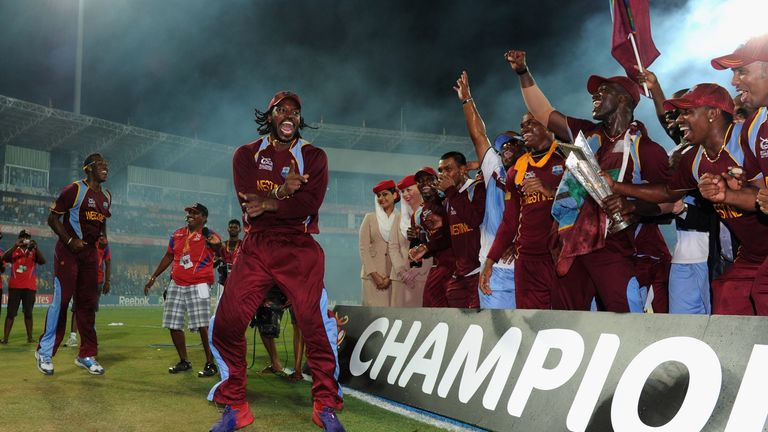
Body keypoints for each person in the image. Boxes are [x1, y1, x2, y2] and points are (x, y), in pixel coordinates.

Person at [208, 91, 344, 432]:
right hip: (257, 245)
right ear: (270, 116)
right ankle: (235, 404)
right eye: (282, 109)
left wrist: (274, 203)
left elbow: (309, 204)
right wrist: (283, 194)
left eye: (296, 111)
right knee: (225, 323)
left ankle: (325, 404)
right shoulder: (245, 154)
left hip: (298, 245)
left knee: (314, 325)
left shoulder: (313, 155)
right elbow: (249, 199)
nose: (290, 115)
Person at [505, 49, 671, 313]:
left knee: (624, 320)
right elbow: (543, 112)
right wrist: (523, 72)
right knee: (565, 320)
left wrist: (631, 205)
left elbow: (668, 202)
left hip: (614, 247)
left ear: (622, 99)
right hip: (572, 245)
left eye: (602, 91)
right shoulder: (587, 134)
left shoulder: (647, 149)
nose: (594, 95)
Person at [605, 84, 768, 315]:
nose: (680, 120)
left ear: (712, 114)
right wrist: (616, 186)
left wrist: (729, 194)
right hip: (752, 254)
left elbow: (760, 197)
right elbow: (668, 192)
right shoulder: (693, 158)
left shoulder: (745, 141)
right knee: (725, 299)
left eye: (687, 112)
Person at [454, 70, 527, 309]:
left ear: (525, 147)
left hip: (530, 270)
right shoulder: (494, 170)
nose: (504, 148)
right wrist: (467, 100)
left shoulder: (537, 172)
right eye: (501, 145)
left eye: (511, 143)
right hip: (495, 271)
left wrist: (518, 242)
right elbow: (478, 136)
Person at [35, 153, 111, 376]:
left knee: (87, 304)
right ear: (88, 169)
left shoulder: (106, 196)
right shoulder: (74, 190)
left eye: (106, 164)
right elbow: (52, 219)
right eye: (100, 164)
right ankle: (45, 352)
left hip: (89, 254)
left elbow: (102, 218)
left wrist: (102, 236)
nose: (105, 167)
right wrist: (69, 240)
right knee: (62, 300)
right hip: (68, 252)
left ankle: (86, 354)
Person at [486, 113, 566, 309]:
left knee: (566, 322)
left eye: (531, 123)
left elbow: (586, 200)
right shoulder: (516, 171)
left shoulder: (567, 157)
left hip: (561, 256)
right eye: (522, 125)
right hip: (527, 260)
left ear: (548, 126)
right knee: (531, 324)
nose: (524, 129)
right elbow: (509, 221)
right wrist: (490, 260)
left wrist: (550, 191)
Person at [144, 203, 220, 377]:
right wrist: (153, 277)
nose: (190, 215)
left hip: (199, 283)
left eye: (195, 213)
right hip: (176, 283)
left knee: (203, 324)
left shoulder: (209, 235)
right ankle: (184, 361)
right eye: (189, 213)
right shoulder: (177, 234)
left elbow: (219, 250)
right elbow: (169, 255)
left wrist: (217, 246)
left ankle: (210, 363)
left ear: (204, 218)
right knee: (173, 323)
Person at [436, 151, 485, 309]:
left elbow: (474, 220)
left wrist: (450, 191)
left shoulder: (477, 188)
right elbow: (448, 237)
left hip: (479, 271)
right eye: (441, 170)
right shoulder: (448, 200)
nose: (444, 174)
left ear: (463, 170)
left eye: (448, 169)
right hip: (460, 273)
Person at [409, 167, 455, 308]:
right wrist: (417, 240)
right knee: (431, 305)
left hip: (456, 263)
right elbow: (429, 242)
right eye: (421, 181)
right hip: (439, 264)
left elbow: (451, 235)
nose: (425, 183)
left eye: (429, 179)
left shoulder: (447, 201)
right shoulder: (418, 213)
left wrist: (426, 246)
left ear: (437, 181)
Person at [388, 174, 432, 307]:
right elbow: (393, 247)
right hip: (399, 278)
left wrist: (417, 271)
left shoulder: (430, 214)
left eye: (409, 189)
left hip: (421, 277)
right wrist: (402, 272)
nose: (405, 194)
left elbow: (435, 245)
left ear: (419, 188)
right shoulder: (398, 218)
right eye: (402, 191)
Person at [65, 234, 111, 347]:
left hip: (97, 281)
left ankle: (90, 338)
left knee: (90, 310)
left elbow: (108, 263)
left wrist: (107, 281)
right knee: (77, 308)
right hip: (83, 279)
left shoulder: (105, 246)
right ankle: (73, 337)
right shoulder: (85, 242)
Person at [1, 230, 46, 344]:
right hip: (15, 286)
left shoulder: (33, 251)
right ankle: (5, 338)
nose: (25, 239)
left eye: (27, 237)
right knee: (11, 313)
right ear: (19, 238)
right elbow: (4, 258)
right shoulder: (15, 250)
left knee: (28, 313)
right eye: (23, 237)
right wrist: (16, 245)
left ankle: (30, 338)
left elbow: (43, 261)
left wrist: (36, 247)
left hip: (29, 287)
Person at [358, 180, 398, 306]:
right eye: (379, 195)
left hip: (394, 279)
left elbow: (403, 249)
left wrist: (390, 278)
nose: (381, 198)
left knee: (391, 319)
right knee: (372, 320)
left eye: (385, 194)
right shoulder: (369, 218)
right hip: (371, 279)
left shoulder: (401, 219)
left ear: (395, 195)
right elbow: (363, 249)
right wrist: (375, 276)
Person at [215, 219, 243, 288]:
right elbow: (213, 264)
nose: (233, 229)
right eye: (231, 227)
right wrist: (219, 260)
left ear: (240, 230)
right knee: (222, 299)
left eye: (235, 227)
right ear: (228, 229)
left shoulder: (243, 245)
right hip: (223, 281)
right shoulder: (222, 245)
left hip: (239, 280)